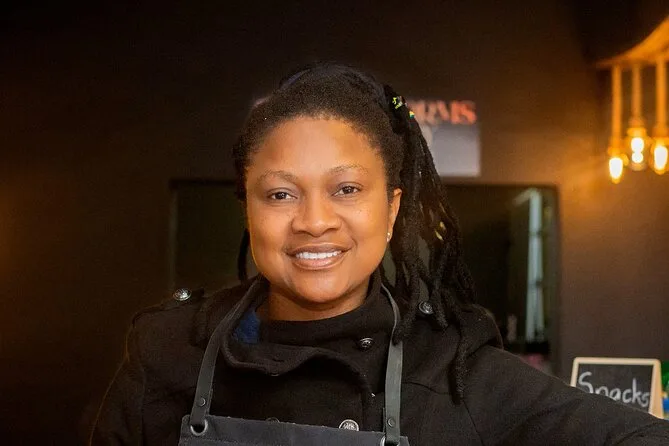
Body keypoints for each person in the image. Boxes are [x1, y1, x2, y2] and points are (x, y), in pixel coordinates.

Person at [91, 64, 669, 445]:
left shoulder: (453, 372)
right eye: (281, 194)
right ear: (248, 206)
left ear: (392, 209)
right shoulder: (166, 354)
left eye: (346, 189)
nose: (314, 220)